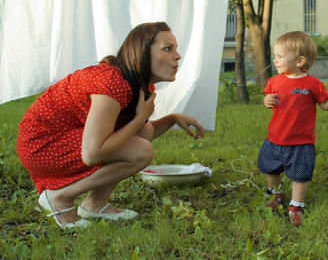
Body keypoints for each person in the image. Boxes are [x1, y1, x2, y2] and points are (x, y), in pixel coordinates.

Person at [16, 22, 205, 229]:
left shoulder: (136, 84)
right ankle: (59, 197)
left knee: (144, 130)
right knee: (141, 148)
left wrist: (171, 119)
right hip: (40, 145)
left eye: (176, 49)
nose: (177, 56)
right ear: (142, 52)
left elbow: (138, 134)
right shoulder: (111, 81)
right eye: (168, 49)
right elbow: (93, 153)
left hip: (63, 140)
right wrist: (137, 119)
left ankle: (94, 204)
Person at [258, 31, 328, 227]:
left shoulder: (312, 83)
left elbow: (325, 105)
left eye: (280, 56)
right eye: (275, 55)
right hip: (275, 139)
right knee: (270, 167)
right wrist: (267, 100)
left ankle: (296, 205)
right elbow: (268, 100)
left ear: (299, 60)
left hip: (301, 143)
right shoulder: (274, 81)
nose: (275, 60)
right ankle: (275, 193)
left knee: (300, 175)